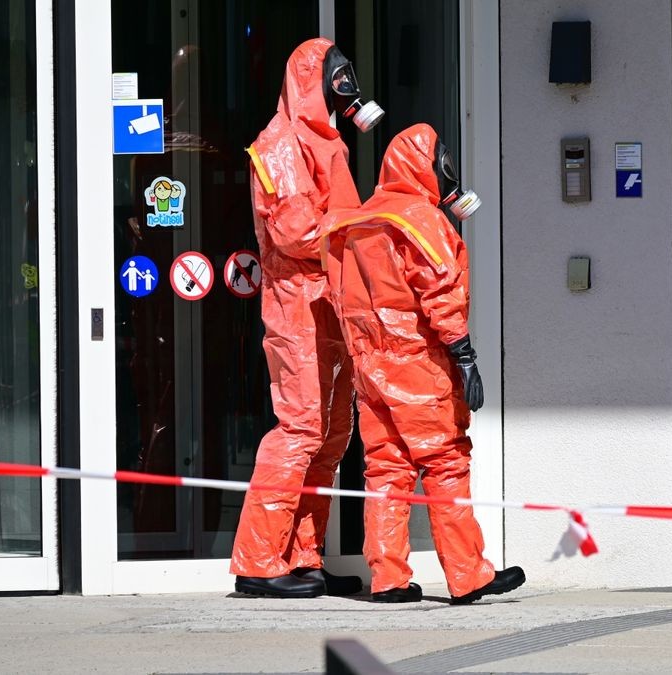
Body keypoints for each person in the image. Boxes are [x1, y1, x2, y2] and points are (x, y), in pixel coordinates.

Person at [319, 123, 524, 604]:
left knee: (385, 467)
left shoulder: (356, 222)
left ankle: (388, 578)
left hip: (370, 366)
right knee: (446, 462)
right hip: (417, 362)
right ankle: (467, 574)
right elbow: (441, 296)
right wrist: (465, 357)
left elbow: (338, 295)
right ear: (427, 165)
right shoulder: (420, 220)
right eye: (442, 160)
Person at [230, 37, 384, 598]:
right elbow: (295, 233)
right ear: (312, 81)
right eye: (337, 79)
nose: (346, 90)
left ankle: (302, 557)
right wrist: (368, 235)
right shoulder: (279, 145)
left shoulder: (327, 142)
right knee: (299, 428)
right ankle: (258, 561)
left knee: (331, 436)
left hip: (334, 300)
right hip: (298, 304)